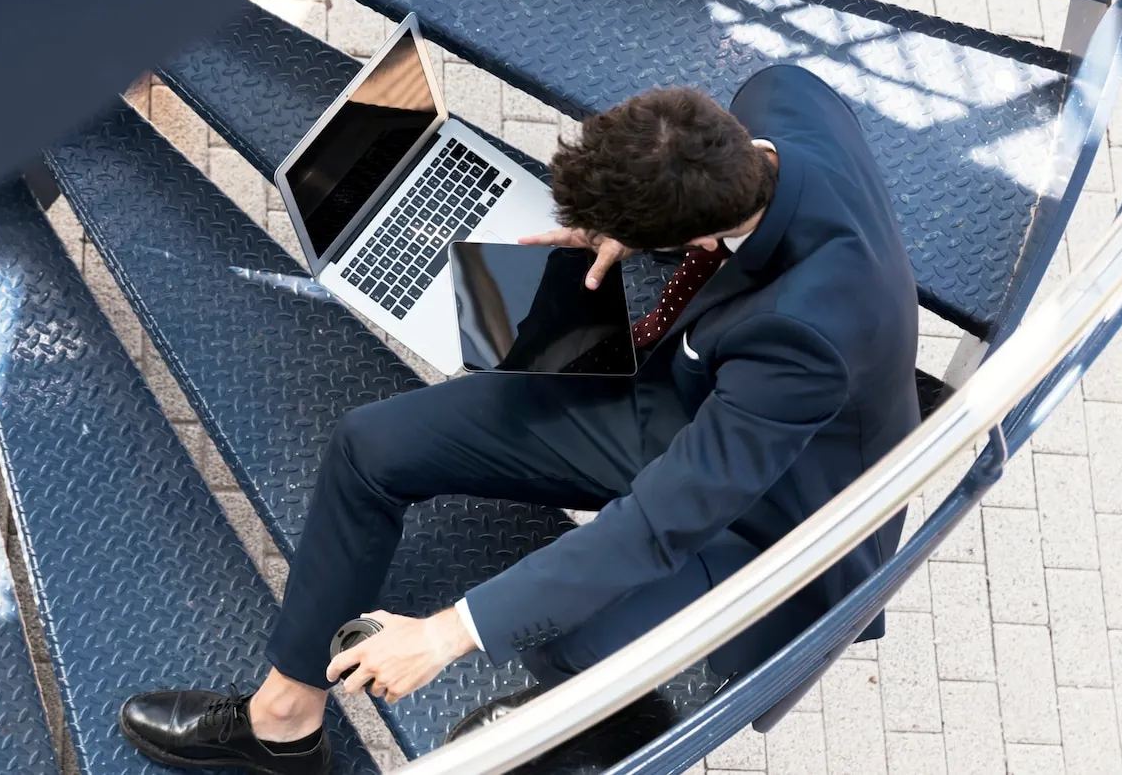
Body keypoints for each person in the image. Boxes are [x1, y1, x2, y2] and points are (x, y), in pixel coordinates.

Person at [118, 64, 921, 775]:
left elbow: (653, 526)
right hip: (686, 386)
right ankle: (283, 725)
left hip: (773, 501)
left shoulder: (806, 335)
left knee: (571, 640)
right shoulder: (781, 97)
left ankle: (617, 723)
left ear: (696, 231)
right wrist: (615, 230)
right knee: (372, 445)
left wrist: (445, 634)